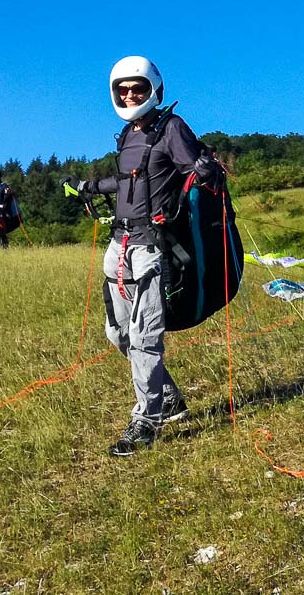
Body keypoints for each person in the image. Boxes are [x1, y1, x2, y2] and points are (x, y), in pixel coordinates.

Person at [77, 56, 212, 456]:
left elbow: (195, 168)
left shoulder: (172, 128)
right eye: (123, 90)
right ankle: (168, 398)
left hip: (152, 247)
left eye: (137, 88)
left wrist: (207, 170)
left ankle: (146, 420)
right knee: (118, 333)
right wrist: (89, 186)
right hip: (119, 243)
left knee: (144, 336)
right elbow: (126, 183)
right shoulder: (127, 134)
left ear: (154, 89)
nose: (130, 95)